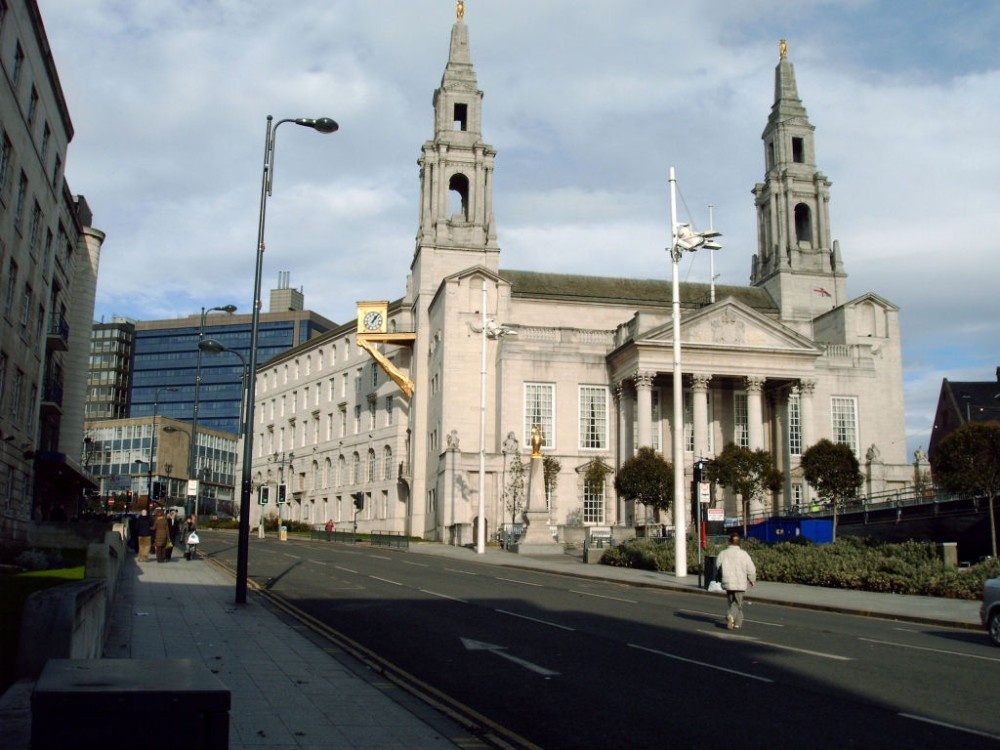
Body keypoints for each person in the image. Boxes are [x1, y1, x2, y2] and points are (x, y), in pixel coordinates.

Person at [715, 531, 756, 630]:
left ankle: (737, 622)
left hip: (727, 582)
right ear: (739, 543)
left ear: (729, 542)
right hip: (740, 583)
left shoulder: (723, 553)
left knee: (732, 603)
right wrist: (752, 579)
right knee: (738, 603)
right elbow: (751, 568)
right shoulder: (744, 554)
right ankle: (731, 615)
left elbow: (717, 565)